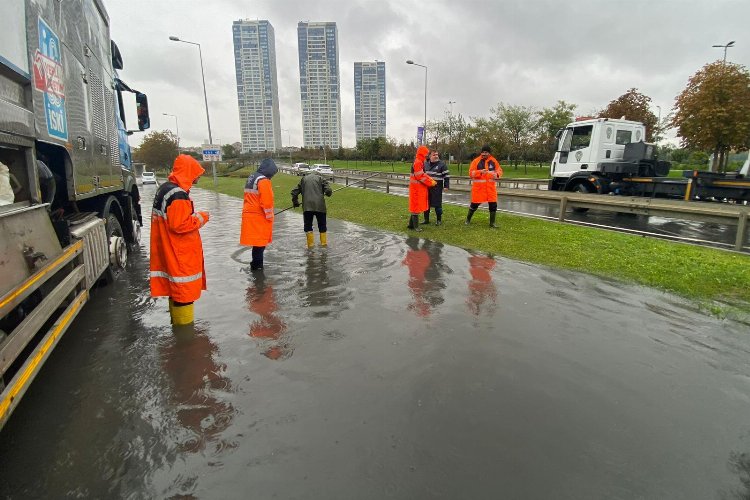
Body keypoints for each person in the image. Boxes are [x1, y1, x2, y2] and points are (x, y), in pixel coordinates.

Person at [150, 154, 210, 325]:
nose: (198, 176)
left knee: (176, 292)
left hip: (169, 251)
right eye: (196, 172)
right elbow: (179, 225)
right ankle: (186, 337)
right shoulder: (178, 195)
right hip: (180, 255)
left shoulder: (165, 189)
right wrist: (202, 217)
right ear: (189, 172)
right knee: (184, 294)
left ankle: (178, 330)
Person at [240, 158, 278, 270]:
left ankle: (255, 265)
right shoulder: (264, 181)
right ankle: (257, 268)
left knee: (257, 244)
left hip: (249, 215)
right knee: (260, 244)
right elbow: (267, 201)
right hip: (258, 217)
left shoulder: (252, 177)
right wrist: (270, 217)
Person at [291, 170, 333, 248]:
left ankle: (310, 245)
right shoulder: (321, 178)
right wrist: (327, 193)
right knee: (322, 225)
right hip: (320, 206)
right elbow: (328, 191)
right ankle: (323, 244)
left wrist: (295, 202)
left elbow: (294, 192)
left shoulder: (303, 179)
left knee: (308, 225)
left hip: (307, 207)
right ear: (318, 174)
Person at [466, 145, 503, 228]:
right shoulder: (476, 161)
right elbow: (471, 173)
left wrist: (497, 174)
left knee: (493, 205)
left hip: (490, 189)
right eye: (483, 152)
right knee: (474, 205)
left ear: (489, 153)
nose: (484, 154)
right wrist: (480, 172)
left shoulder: (493, 161)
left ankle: (492, 223)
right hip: (479, 189)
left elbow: (499, 170)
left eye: (486, 152)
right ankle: (468, 220)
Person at [408, 145, 436, 231]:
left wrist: (430, 179)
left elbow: (423, 174)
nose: (427, 155)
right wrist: (430, 183)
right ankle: (416, 227)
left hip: (417, 188)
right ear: (422, 153)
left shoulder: (419, 161)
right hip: (416, 189)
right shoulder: (418, 162)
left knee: (415, 206)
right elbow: (420, 176)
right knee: (415, 207)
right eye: (426, 153)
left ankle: (411, 225)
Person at [422, 150, 450, 225]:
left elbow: (446, 176)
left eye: (437, 154)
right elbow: (422, 175)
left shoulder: (442, 164)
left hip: (437, 188)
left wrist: (446, 186)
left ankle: (439, 220)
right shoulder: (425, 164)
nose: (436, 156)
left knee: (438, 205)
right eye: (434, 155)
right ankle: (426, 220)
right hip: (427, 188)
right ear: (430, 156)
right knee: (426, 204)